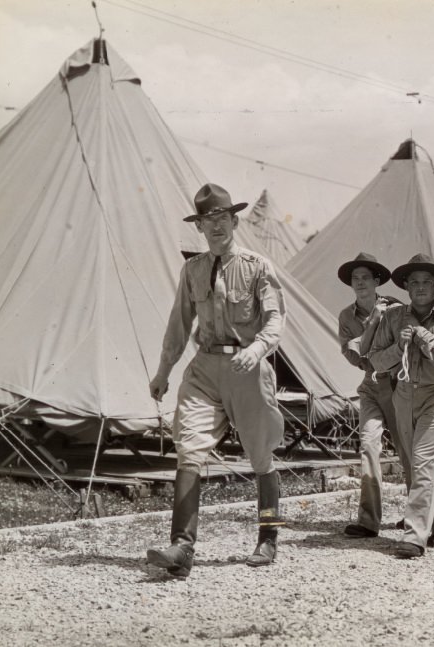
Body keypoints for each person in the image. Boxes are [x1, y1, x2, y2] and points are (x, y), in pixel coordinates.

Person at [146, 183, 286, 577]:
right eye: (208, 222)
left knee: (260, 455)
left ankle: (268, 537)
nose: (215, 228)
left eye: (221, 219)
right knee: (188, 447)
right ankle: (181, 548)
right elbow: (178, 327)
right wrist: (163, 372)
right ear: (200, 228)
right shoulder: (192, 270)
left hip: (248, 368)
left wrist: (257, 350)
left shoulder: (258, 267)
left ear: (234, 221)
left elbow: (275, 319)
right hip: (205, 368)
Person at [370, 253, 434, 559]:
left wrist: (424, 337)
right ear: (406, 287)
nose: (421, 287)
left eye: (427, 281)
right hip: (404, 394)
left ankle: (414, 536)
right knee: (415, 463)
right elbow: (375, 360)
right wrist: (399, 345)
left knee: (424, 459)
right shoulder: (393, 318)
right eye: (415, 282)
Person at [337, 253, 410, 538]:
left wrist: (374, 352)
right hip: (371, 386)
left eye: (366, 277)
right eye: (355, 279)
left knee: (408, 452)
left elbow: (404, 349)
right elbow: (357, 359)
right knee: (368, 445)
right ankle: (369, 521)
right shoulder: (346, 316)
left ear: (377, 281)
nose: (360, 283)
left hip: (398, 386)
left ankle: (418, 513)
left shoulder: (396, 309)